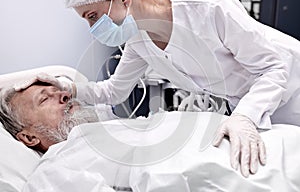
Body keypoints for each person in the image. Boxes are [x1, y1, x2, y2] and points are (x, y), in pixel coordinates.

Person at [60, 0, 300, 178]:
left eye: (92, 16)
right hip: (253, 106)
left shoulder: (208, 7)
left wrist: (245, 116)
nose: (92, 30)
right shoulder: (138, 39)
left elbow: (274, 67)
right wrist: (71, 89)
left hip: (291, 84)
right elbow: (114, 91)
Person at [1, 79, 300, 192]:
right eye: (46, 99)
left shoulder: (109, 129)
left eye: (60, 91)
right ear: (28, 138)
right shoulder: (55, 167)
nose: (64, 96)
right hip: (248, 173)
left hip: (268, 142)